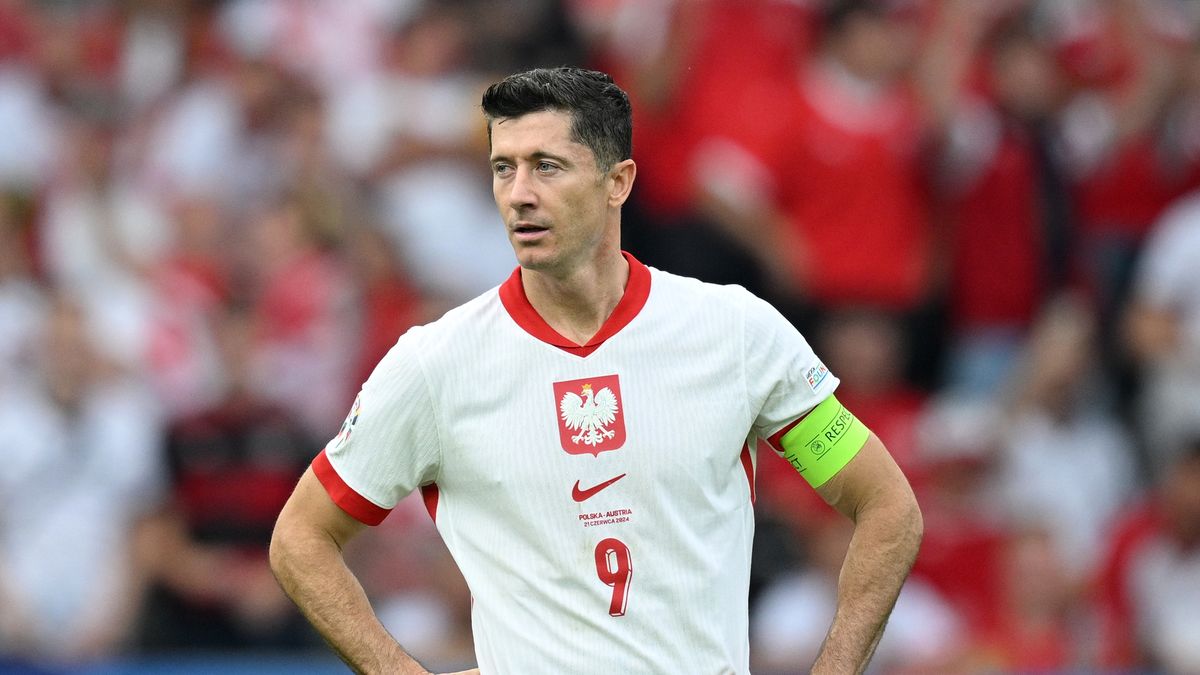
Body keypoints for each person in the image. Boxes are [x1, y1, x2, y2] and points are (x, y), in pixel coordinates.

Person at [270, 66, 923, 674]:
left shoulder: (733, 333)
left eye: (546, 166)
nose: (519, 193)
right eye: (504, 168)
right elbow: (301, 538)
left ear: (619, 180)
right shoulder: (435, 362)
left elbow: (886, 506)